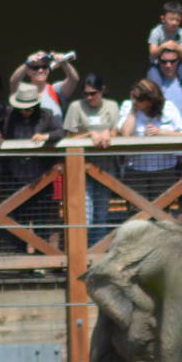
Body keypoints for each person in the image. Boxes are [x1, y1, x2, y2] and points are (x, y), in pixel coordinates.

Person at [63, 73, 121, 244]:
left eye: (93, 93)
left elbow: (117, 132)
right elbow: (68, 137)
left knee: (101, 214)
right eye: (86, 94)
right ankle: (82, 252)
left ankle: (96, 253)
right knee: (85, 214)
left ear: (103, 90)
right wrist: (90, 135)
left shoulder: (112, 106)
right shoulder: (76, 107)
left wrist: (108, 134)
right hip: (81, 167)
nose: (89, 97)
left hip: (105, 166)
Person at [118, 78, 182, 196]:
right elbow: (125, 134)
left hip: (164, 169)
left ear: (150, 101)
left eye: (139, 99)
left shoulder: (169, 107)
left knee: (161, 211)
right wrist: (133, 110)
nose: (134, 100)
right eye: (133, 96)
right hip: (135, 169)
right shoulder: (128, 106)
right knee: (136, 210)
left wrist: (161, 133)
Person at [8, 51, 79, 120]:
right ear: (28, 71)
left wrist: (64, 63)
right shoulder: (23, 91)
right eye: (35, 68)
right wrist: (27, 63)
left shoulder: (55, 90)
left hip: (54, 131)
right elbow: (14, 81)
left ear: (48, 70)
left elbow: (74, 79)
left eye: (44, 67)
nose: (40, 70)